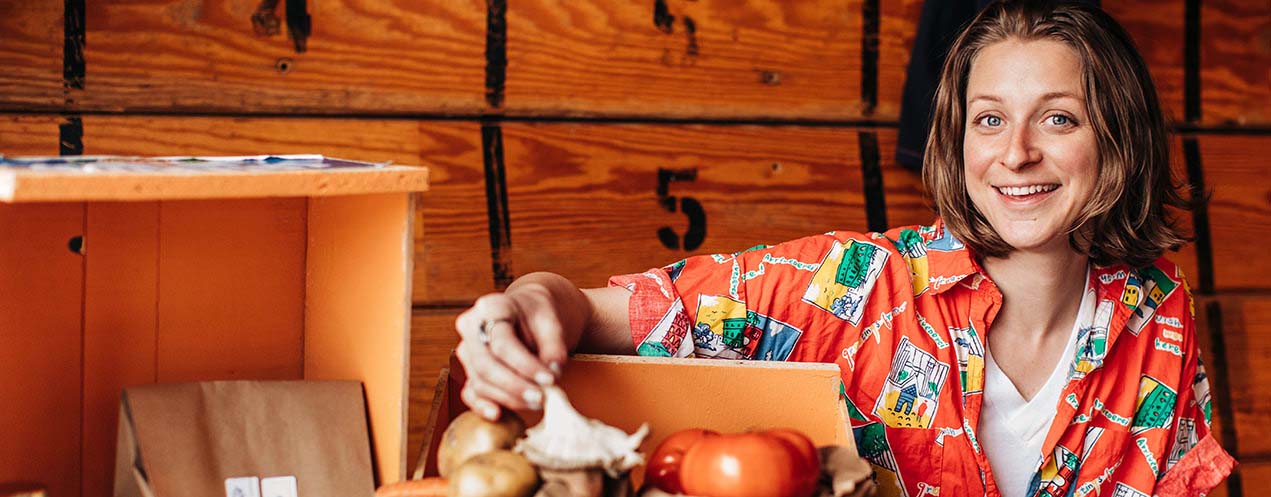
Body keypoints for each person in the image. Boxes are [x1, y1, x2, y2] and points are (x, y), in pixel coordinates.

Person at [452, 1, 1236, 495]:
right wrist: (520, 307)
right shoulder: (856, 283)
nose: (1016, 153)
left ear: (1116, 139)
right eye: (988, 119)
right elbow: (590, 310)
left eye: (1057, 118)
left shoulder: (1157, 309)